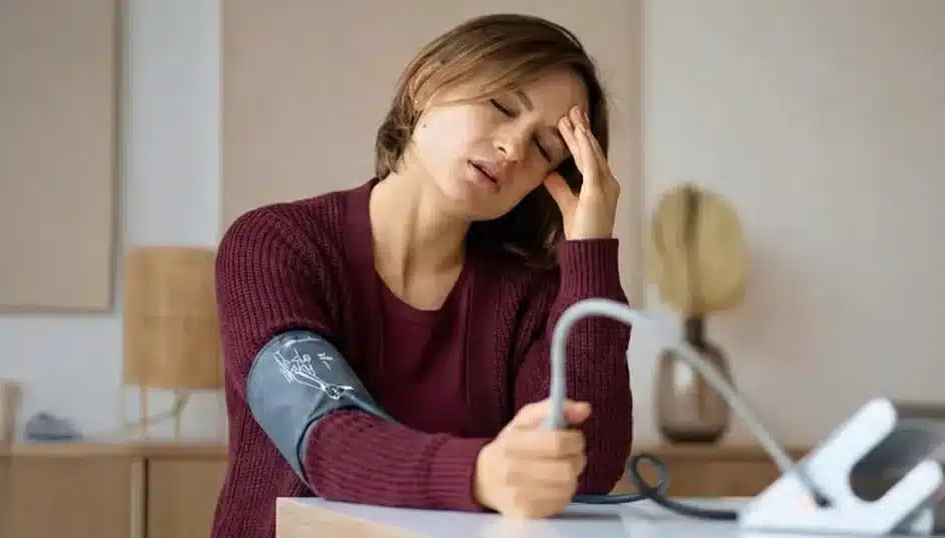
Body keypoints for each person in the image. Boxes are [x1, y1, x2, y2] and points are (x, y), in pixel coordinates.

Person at [210, 12, 633, 538]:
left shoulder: (532, 296)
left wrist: (590, 251)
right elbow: (323, 434)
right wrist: (480, 474)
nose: (512, 148)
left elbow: (587, 477)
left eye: (544, 149)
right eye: (501, 106)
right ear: (426, 80)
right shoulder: (274, 245)